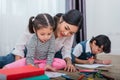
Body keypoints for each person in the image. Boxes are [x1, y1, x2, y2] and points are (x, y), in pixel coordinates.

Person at [0, 9, 83, 72]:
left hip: (46, 57)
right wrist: (18, 64)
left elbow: (66, 51)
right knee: (6, 61)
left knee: (67, 59)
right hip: (28, 52)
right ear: (61, 19)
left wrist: (69, 63)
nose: (66, 33)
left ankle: (37, 67)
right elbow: (20, 45)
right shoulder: (44, 23)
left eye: (71, 33)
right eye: (66, 28)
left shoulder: (69, 35)